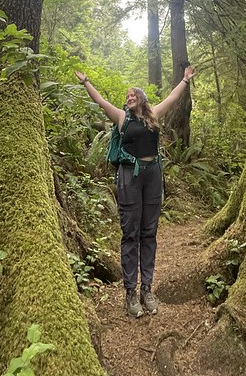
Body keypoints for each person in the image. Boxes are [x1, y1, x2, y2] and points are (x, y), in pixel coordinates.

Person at [75, 65, 195, 318]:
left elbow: (172, 99)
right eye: (127, 96)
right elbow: (100, 101)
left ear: (141, 98)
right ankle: (130, 293)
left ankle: (147, 289)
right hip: (130, 176)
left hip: (152, 175)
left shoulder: (154, 115)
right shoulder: (120, 118)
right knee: (131, 234)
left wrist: (185, 80)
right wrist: (86, 82)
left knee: (149, 233)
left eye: (133, 95)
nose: (129, 98)